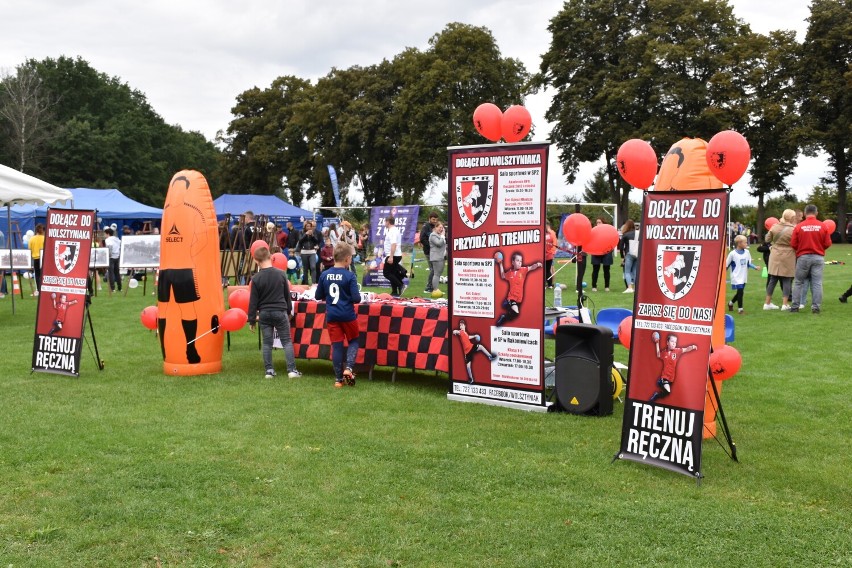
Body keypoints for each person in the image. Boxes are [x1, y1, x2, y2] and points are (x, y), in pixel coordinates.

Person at [247, 246, 301, 380]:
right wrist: (289, 311)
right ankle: (292, 370)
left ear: (256, 261)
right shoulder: (281, 274)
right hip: (280, 311)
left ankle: (269, 371)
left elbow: (253, 302)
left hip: (264, 313)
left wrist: (252, 320)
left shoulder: (256, 279)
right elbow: (287, 296)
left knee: (267, 343)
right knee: (287, 341)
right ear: (271, 257)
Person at [315, 242, 361, 388]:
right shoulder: (350, 275)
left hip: (332, 315)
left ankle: (338, 379)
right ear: (347, 259)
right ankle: (349, 368)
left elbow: (318, 295)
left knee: (337, 346)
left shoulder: (324, 274)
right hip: (347, 315)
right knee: (353, 340)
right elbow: (356, 298)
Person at [790, 204, 832, 314]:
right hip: (818, 257)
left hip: (803, 257)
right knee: (817, 283)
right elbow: (828, 243)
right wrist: (820, 248)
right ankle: (816, 307)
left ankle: (795, 306)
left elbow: (793, 243)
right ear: (816, 213)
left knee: (798, 282)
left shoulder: (799, 226)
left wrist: (800, 249)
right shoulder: (822, 226)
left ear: (804, 214)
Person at [495, 251, 542, 327]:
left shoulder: (523, 270)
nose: (520, 262)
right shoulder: (510, 273)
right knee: (516, 312)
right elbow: (503, 275)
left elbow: (531, 267)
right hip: (512, 297)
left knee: (515, 315)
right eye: (517, 260)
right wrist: (500, 264)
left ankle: (505, 305)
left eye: (521, 261)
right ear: (513, 262)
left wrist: (537, 264)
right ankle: (504, 316)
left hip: (519, 299)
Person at [763, 209, 797, 311]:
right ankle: (785, 304)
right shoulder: (794, 229)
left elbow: (767, 239)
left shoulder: (775, 227)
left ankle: (767, 303)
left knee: (773, 278)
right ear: (791, 218)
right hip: (788, 254)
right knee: (786, 279)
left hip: (775, 253)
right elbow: (796, 243)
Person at [649, 332, 697, 402]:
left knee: (666, 392)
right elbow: (658, 355)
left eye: (675, 342)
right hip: (665, 377)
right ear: (667, 342)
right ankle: (658, 389)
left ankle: (658, 388)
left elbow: (686, 349)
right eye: (672, 341)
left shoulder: (677, 351)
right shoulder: (664, 353)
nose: (674, 343)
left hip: (671, 378)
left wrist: (692, 347)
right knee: (668, 391)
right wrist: (657, 343)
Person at [453, 319, 498, 384]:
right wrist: (455, 331)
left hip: (471, 347)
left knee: (481, 347)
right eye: (460, 325)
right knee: (468, 367)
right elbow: (456, 331)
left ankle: (490, 356)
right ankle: (471, 379)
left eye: (462, 325)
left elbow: (468, 337)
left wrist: (474, 336)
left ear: (465, 326)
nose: (461, 326)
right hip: (467, 352)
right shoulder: (461, 332)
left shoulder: (465, 333)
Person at [726, 235, 760, 314]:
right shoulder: (732, 254)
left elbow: (748, 263)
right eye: (745, 242)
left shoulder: (747, 252)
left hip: (743, 275)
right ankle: (740, 310)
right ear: (739, 244)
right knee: (740, 292)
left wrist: (755, 267)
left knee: (739, 292)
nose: (747, 244)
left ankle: (730, 303)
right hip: (736, 276)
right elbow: (726, 265)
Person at [382, 216, 406, 297]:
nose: (385, 223)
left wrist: (391, 256)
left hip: (393, 255)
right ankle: (394, 291)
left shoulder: (393, 231)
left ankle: (401, 285)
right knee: (392, 273)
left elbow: (393, 244)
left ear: (388, 222)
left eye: (385, 221)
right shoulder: (393, 230)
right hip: (394, 255)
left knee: (386, 273)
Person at [590, 218, 613, 292]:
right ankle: (594, 286)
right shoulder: (593, 231)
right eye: (597, 222)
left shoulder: (608, 231)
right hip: (596, 252)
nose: (598, 224)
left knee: (606, 270)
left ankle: (607, 286)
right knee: (595, 269)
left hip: (606, 252)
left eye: (600, 222)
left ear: (604, 223)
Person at [296, 220, 320, 285]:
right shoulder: (301, 232)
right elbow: (300, 241)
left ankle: (314, 283)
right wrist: (305, 235)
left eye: (310, 226)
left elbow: (316, 241)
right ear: (305, 226)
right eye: (307, 226)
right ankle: (306, 283)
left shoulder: (313, 232)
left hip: (312, 251)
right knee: (305, 268)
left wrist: (312, 236)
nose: (309, 227)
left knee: (313, 267)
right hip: (304, 252)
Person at [420, 211, 439, 293]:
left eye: (436, 220)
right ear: (429, 219)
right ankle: (428, 287)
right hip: (428, 251)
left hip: (435, 251)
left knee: (434, 269)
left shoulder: (436, 226)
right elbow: (422, 239)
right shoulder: (426, 226)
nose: (435, 221)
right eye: (433, 219)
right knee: (434, 269)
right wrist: (430, 246)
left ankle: (433, 288)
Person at [619, 219, 638, 293]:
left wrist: (622, 257)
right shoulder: (638, 233)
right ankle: (637, 288)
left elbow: (621, 247)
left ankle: (630, 287)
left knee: (627, 271)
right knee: (635, 271)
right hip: (637, 254)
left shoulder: (626, 234)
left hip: (629, 253)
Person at [429, 221, 447, 293]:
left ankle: (436, 289)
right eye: (439, 227)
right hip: (436, 257)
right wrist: (443, 236)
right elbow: (439, 244)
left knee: (438, 274)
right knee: (436, 274)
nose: (441, 229)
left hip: (441, 257)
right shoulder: (433, 235)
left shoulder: (439, 235)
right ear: (435, 227)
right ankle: (435, 290)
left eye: (442, 228)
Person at [104, 227, 122, 292]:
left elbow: (110, 246)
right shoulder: (117, 238)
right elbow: (120, 244)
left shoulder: (108, 240)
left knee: (111, 273)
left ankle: (112, 288)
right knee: (117, 272)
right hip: (117, 256)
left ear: (108, 234)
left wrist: (108, 255)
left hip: (111, 257)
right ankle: (120, 287)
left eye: (105, 234)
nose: (105, 236)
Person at [29, 223, 45, 294]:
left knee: (37, 275)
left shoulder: (32, 239)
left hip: (35, 258)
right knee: (44, 274)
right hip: (44, 258)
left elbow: (29, 249)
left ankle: (38, 289)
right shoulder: (45, 238)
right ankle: (44, 288)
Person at [544, 220, 558, 289]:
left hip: (549, 255)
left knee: (547, 270)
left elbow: (554, 243)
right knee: (546, 270)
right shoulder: (544, 233)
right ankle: (548, 284)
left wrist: (551, 252)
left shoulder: (551, 233)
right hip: (545, 255)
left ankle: (549, 284)